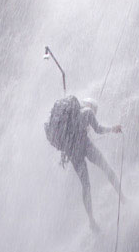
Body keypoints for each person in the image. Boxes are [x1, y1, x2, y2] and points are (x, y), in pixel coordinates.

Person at [45, 95, 124, 232]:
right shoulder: (88, 113)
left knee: (86, 186)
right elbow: (98, 129)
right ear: (92, 107)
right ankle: (122, 197)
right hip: (87, 147)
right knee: (107, 169)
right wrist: (113, 129)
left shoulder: (68, 119)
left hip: (73, 152)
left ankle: (91, 220)